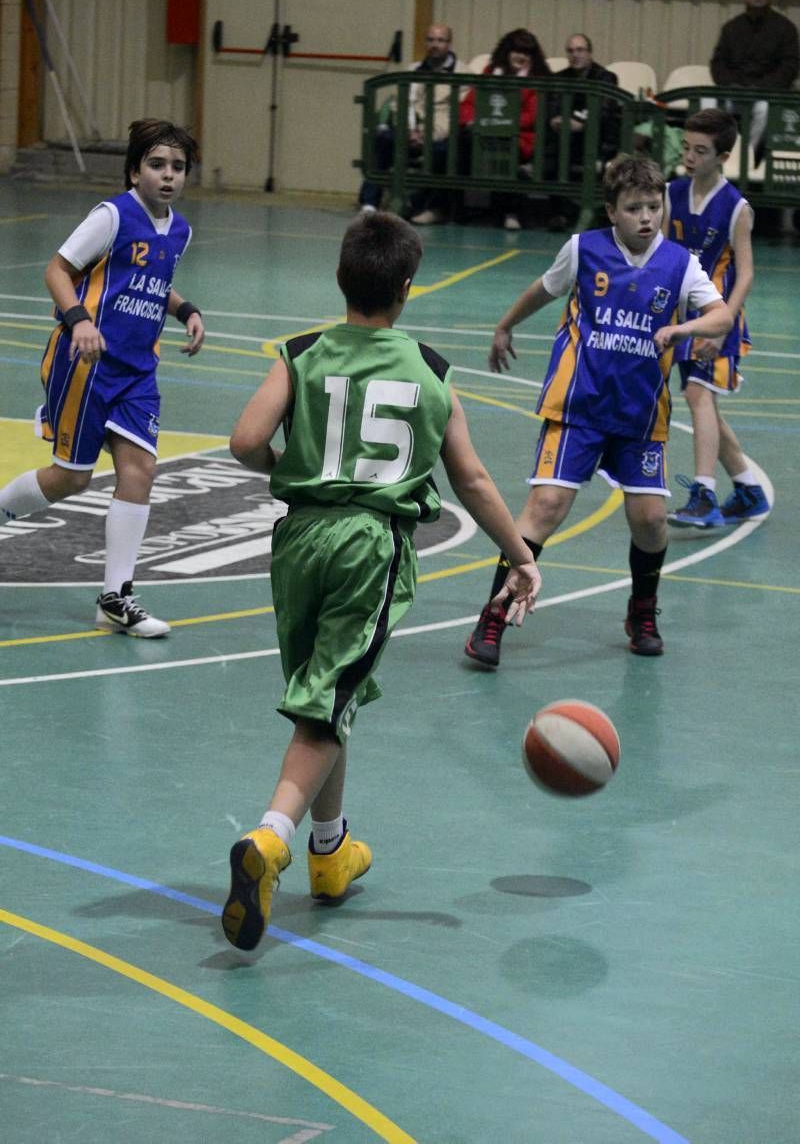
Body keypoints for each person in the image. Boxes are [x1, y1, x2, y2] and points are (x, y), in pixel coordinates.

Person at [220, 212, 541, 952]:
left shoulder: (299, 352)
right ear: (406, 287)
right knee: (327, 696)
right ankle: (272, 837)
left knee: (329, 688)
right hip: (372, 544)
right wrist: (519, 553)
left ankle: (329, 853)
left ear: (341, 279)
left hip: (299, 538)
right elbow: (473, 478)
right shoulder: (428, 368)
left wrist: (291, 470)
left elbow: (243, 440)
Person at [463, 155, 732, 668]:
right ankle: (494, 616)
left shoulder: (679, 264)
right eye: (634, 208)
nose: (646, 217)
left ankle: (642, 610)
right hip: (578, 407)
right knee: (544, 509)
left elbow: (719, 315)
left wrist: (683, 331)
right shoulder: (583, 250)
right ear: (612, 211)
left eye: (654, 207)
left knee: (650, 519)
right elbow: (544, 289)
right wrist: (504, 325)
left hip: (639, 417)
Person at [0, 119, 204, 637]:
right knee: (73, 477)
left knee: (140, 471)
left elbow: (153, 283)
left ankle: (116, 597)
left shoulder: (179, 229)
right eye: (157, 165)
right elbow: (57, 270)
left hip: (138, 371)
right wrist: (80, 321)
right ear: (134, 171)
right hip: (85, 364)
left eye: (177, 167)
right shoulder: (112, 215)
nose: (168, 175)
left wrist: (186, 311)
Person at [663, 109, 769, 527]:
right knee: (703, 402)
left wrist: (725, 319)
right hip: (684, 318)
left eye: (700, 150)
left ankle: (704, 494)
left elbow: (746, 272)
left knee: (697, 396)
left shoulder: (735, 207)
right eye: (686, 147)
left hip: (719, 316)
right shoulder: (672, 193)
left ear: (723, 155)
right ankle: (747, 489)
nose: (690, 156)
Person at [357, 24, 469, 223]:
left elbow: (459, 114)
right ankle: (369, 203)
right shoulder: (413, 70)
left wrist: (428, 135)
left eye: (440, 40)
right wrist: (409, 130)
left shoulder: (464, 74)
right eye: (431, 40)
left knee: (447, 152)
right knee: (383, 140)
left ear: (449, 44)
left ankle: (432, 207)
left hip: (440, 134)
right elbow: (401, 104)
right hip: (409, 131)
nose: (435, 45)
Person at [458, 29, 551, 231]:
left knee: (504, 150)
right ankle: (458, 208)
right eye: (516, 51)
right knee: (461, 142)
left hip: (520, 137)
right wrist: (472, 120)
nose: (521, 56)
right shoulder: (491, 72)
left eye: (526, 53)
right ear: (506, 52)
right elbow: (469, 103)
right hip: (484, 133)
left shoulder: (537, 78)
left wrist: (502, 124)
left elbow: (532, 115)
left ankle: (510, 211)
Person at [710, 0, 799, 158]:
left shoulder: (785, 28)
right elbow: (718, 63)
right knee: (707, 104)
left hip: (767, 95)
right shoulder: (732, 28)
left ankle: (749, 162)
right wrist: (732, 85)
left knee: (764, 110)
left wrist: (761, 88)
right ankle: (717, 159)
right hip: (734, 92)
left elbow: (789, 67)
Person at [546, 33, 620, 232]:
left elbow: (604, 111)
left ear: (589, 53)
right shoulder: (559, 78)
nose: (575, 55)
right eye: (570, 51)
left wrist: (582, 123)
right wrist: (555, 118)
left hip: (598, 142)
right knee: (551, 155)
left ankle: (591, 214)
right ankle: (558, 214)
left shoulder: (606, 77)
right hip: (564, 140)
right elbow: (552, 106)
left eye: (580, 50)